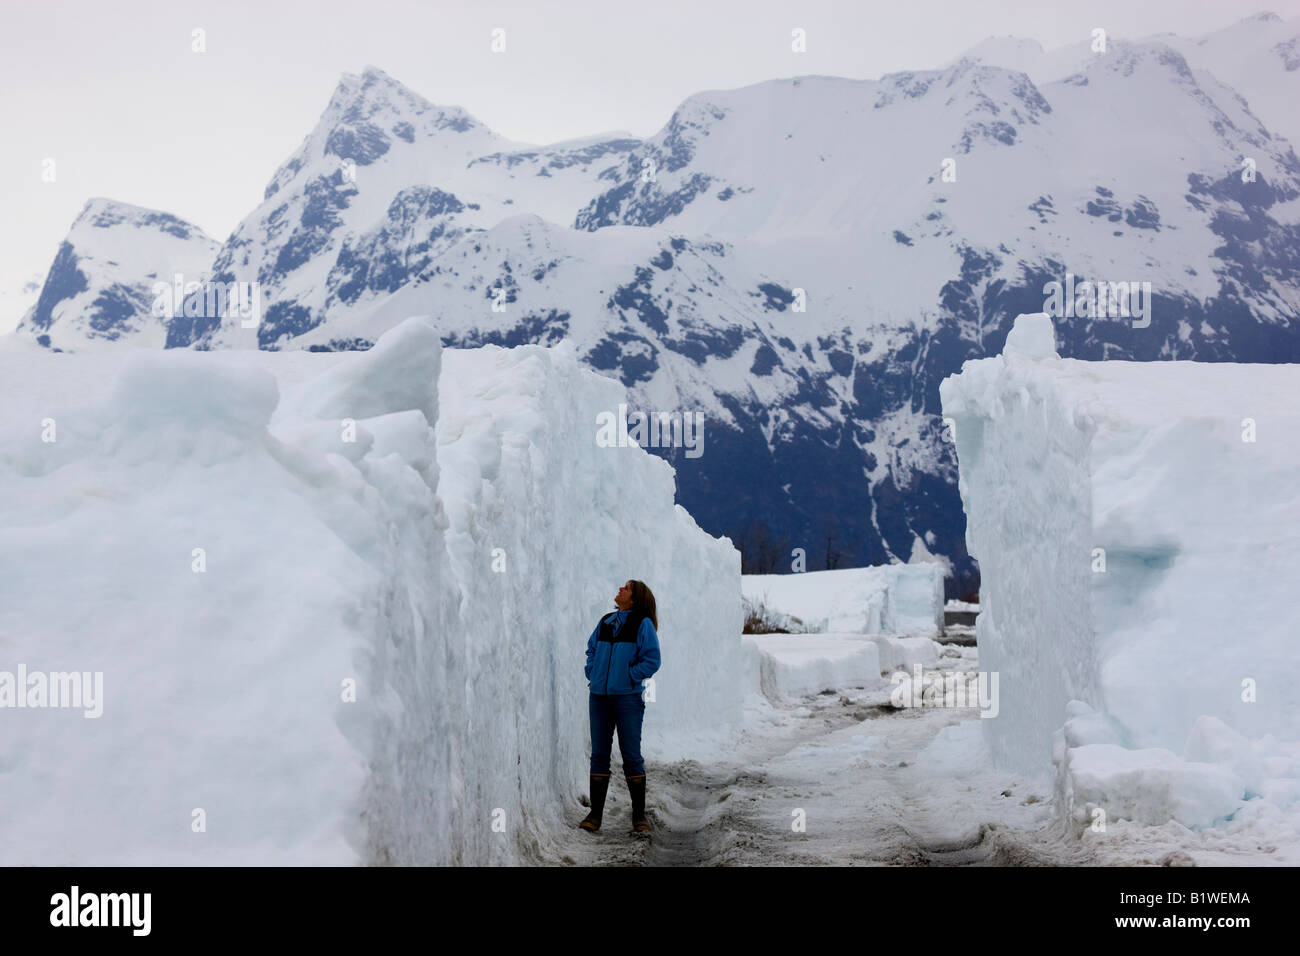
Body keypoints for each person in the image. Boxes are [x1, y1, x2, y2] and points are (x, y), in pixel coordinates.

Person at [579, 579, 661, 833]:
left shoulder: (642, 624)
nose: (620, 590)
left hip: (627, 698)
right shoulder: (605, 621)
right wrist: (592, 671)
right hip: (599, 697)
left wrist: (628, 676)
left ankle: (639, 816)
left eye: (626, 588)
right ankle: (595, 815)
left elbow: (652, 660)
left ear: (635, 598)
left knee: (631, 755)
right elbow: (591, 650)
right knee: (599, 755)